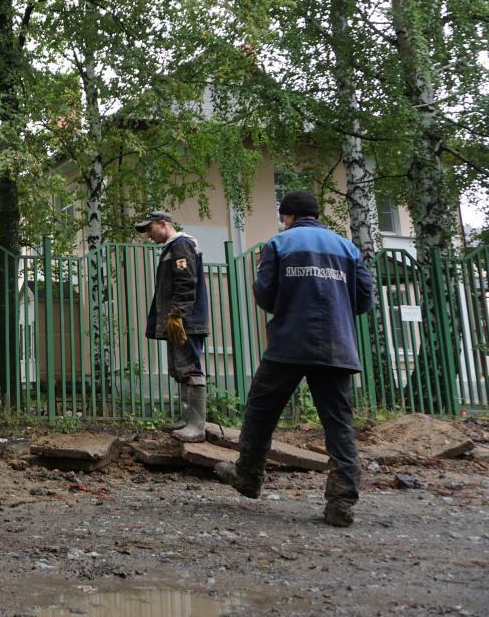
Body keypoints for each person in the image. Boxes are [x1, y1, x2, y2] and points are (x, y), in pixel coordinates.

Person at [216, 190, 375, 527]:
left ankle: (248, 477)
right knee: (338, 425)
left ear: (287, 216)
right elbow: (364, 300)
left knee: (261, 410)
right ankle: (341, 502)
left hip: (289, 343)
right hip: (337, 346)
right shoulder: (348, 247)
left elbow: (264, 293)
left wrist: (288, 304)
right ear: (316, 215)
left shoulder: (279, 244)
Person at [137, 211, 210, 442]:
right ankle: (188, 419)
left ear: (163, 223)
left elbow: (186, 281)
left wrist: (178, 314)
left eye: (150, 229)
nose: (149, 235)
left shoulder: (181, 245)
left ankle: (196, 426)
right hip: (177, 320)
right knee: (180, 368)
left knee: (189, 368)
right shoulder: (172, 248)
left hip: (185, 321)